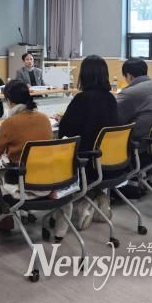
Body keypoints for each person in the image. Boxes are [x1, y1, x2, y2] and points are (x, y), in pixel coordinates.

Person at [0, 80, 53, 234]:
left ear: (9, 100)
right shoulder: (44, 119)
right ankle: (3, 217)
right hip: (46, 181)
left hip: (22, 182)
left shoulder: (11, 122)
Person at [56, 55, 118, 233]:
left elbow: (66, 133)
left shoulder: (82, 99)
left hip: (85, 161)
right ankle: (96, 196)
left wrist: (62, 120)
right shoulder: (111, 99)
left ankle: (84, 203)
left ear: (84, 75)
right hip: (108, 161)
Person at [116, 58, 152, 190]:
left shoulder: (129, 93)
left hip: (144, 148)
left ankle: (131, 185)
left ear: (129, 75)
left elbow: (115, 119)